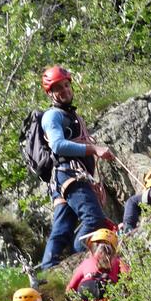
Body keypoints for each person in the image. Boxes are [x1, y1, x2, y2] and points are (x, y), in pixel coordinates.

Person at [39, 66, 115, 270]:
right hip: (69, 174)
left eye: (66, 85)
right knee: (94, 219)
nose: (64, 91)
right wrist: (94, 149)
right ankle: (78, 257)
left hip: (68, 177)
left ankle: (48, 270)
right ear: (50, 93)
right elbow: (58, 145)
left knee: (62, 228)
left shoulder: (71, 116)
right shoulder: (52, 116)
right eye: (58, 88)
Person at [65, 228, 129, 301]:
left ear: (92, 247)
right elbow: (127, 277)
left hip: (86, 288)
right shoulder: (118, 261)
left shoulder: (86, 262)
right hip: (107, 292)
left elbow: (70, 288)